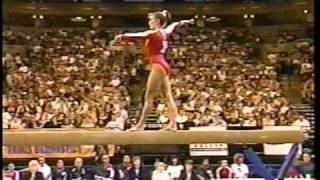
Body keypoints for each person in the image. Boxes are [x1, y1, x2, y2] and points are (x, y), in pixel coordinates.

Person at [114, 10, 193, 131]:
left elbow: (140, 36)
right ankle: (173, 124)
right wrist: (182, 22)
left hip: (157, 64)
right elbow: (172, 25)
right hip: (163, 64)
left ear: (156, 21)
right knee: (167, 96)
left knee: (149, 97)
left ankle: (140, 125)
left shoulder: (154, 32)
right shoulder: (164, 32)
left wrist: (122, 36)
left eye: (151, 20)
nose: (149, 22)